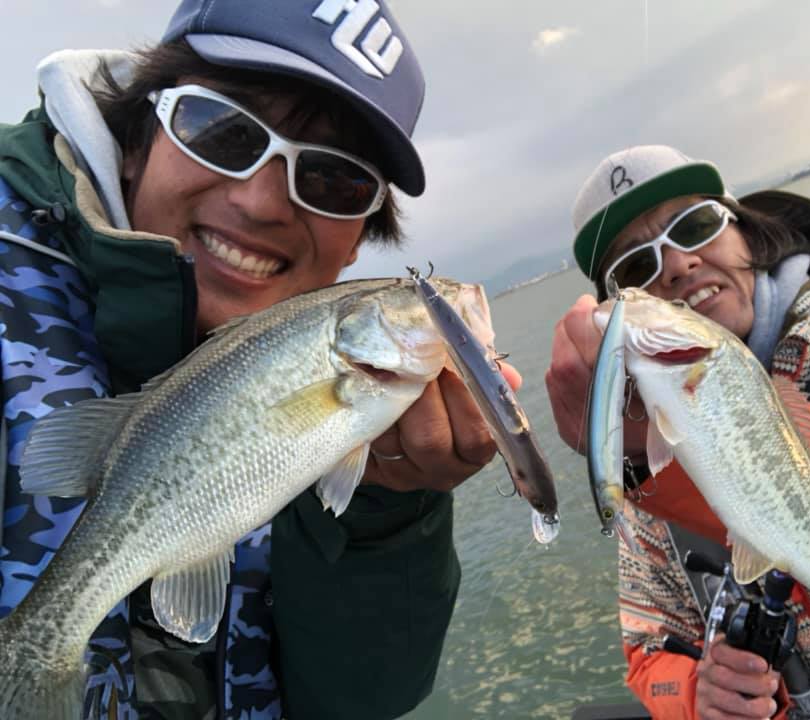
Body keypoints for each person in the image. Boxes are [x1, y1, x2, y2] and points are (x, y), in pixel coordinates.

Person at [0, 1, 522, 718]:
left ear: (358, 241)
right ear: (136, 136)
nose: (261, 202)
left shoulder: (362, 409)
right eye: (222, 130)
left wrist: (386, 510)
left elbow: (351, 704)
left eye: (334, 180)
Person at [545, 144, 810, 719]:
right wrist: (697, 695)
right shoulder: (645, 478)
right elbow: (647, 644)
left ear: (747, 231)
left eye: (694, 225)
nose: (676, 265)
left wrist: (703, 439)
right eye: (636, 270)